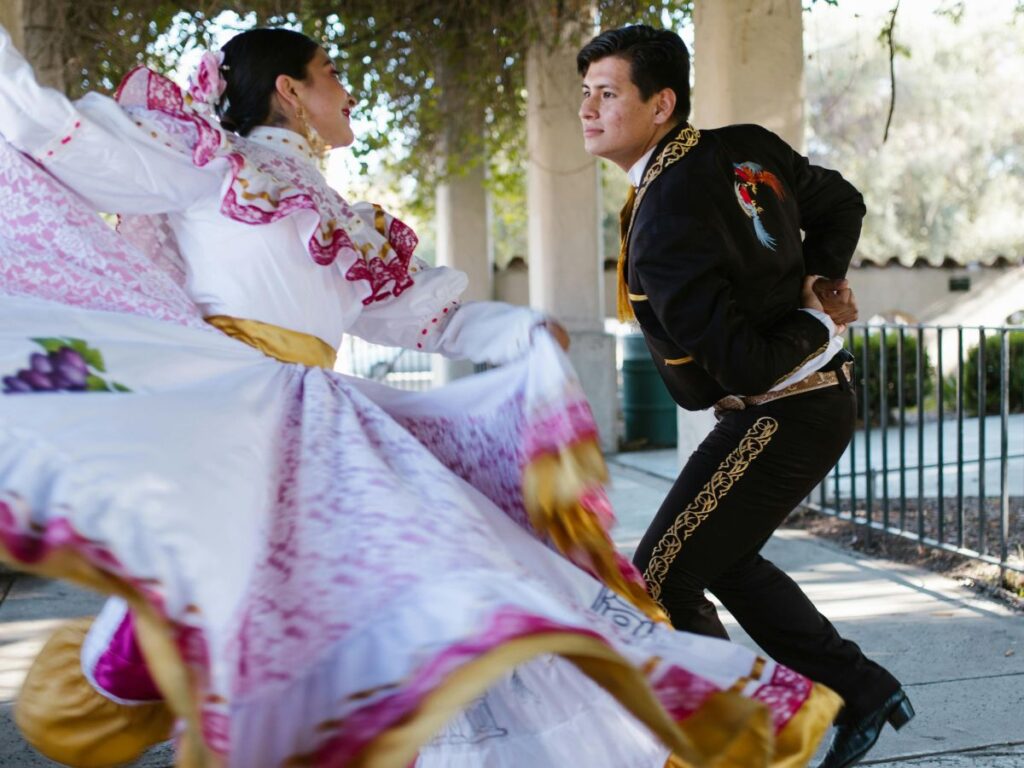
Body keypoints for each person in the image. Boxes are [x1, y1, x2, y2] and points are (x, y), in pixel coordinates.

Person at [0, 23, 841, 768]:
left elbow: (412, 318)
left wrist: (515, 332)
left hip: (317, 425)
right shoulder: (205, 169)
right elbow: (60, 136)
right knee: (201, 621)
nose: (348, 88)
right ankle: (111, 707)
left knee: (429, 602)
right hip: (231, 421)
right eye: (331, 74)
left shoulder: (328, 211)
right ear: (291, 93)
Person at [577, 24, 915, 768]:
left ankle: (742, 741)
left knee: (664, 574)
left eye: (608, 93)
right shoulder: (743, 146)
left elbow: (744, 368)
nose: (588, 109)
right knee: (715, 562)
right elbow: (843, 204)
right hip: (799, 403)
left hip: (783, 409)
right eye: (585, 94)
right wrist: (820, 284)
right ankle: (861, 691)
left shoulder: (664, 214)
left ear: (661, 103)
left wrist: (812, 310)